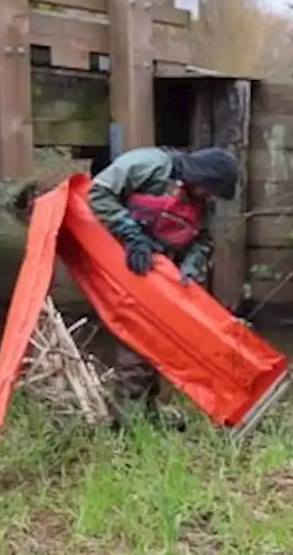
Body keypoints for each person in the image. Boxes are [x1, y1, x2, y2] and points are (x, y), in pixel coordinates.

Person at [87, 145, 239, 418]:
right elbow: (99, 192)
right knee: (134, 341)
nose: (209, 197)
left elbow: (202, 240)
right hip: (122, 266)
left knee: (156, 344)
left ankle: (146, 412)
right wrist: (131, 235)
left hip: (159, 276)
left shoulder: (201, 203)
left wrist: (191, 266)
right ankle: (125, 418)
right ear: (201, 177)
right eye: (210, 190)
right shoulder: (149, 164)